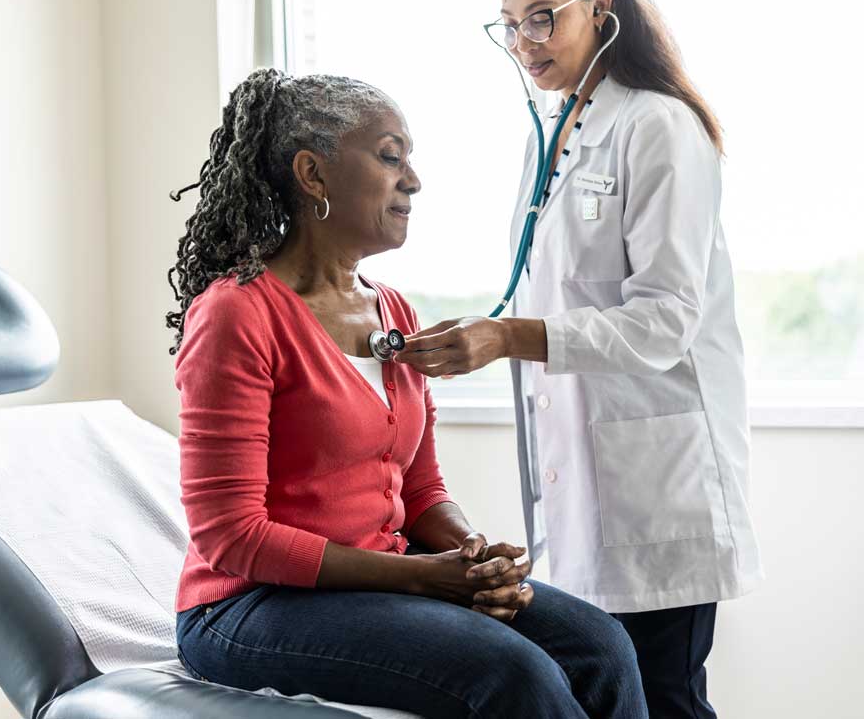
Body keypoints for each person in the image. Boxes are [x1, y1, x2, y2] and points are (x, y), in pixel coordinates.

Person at [165, 68, 646, 718]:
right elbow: (232, 535)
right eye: (391, 157)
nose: (413, 180)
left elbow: (419, 490)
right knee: (514, 674)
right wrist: (425, 575)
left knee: (603, 645)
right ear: (314, 174)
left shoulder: (393, 310)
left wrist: (470, 556)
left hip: (380, 577)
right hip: (248, 604)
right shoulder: (237, 314)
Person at [396, 0, 764, 718]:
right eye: (509, 23)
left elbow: (666, 319)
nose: (524, 42)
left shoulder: (658, 125)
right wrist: (483, 331)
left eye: (542, 17)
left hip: (658, 481)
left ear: (600, 8)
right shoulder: (552, 129)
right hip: (580, 477)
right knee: (603, 691)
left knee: (663, 695)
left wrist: (506, 338)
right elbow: (556, 289)